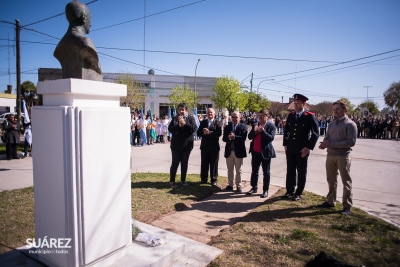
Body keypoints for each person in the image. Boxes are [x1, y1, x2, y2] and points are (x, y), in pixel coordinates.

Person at [318, 100, 357, 215]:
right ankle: (330, 201)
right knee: (331, 180)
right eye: (334, 109)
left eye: (338, 109)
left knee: (346, 181)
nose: (335, 111)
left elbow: (351, 142)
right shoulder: (331, 124)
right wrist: (324, 143)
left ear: (345, 109)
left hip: (343, 156)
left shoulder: (350, 124)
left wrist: (331, 144)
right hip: (330, 155)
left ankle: (347, 206)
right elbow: (327, 137)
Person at [283, 94, 319, 201]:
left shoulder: (309, 116)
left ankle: (298, 192)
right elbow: (287, 131)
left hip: (302, 149)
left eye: (298, 103)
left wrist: (308, 147)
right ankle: (290, 190)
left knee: (301, 171)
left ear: (304, 104)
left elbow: (315, 133)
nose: (296, 105)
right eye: (295, 103)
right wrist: (285, 145)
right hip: (291, 148)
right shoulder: (291, 115)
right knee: (290, 170)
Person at [54, 1, 102, 81]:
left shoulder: (60, 45)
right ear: (84, 17)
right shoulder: (85, 42)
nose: (90, 24)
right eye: (90, 19)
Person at [247, 109, 276, 198]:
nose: (260, 117)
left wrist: (262, 131)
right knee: (254, 171)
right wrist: (255, 131)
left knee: (266, 172)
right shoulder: (256, 124)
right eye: (258, 116)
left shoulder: (271, 126)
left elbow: (270, 138)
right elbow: (249, 137)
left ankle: (265, 190)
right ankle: (254, 187)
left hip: (265, 152)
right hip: (255, 152)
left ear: (267, 116)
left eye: (262, 115)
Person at [168, 103, 197, 188]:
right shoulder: (174, 118)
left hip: (187, 145)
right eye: (180, 109)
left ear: (186, 110)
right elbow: (170, 129)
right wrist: (178, 125)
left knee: (184, 163)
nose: (181, 111)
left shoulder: (191, 118)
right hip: (176, 146)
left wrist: (184, 124)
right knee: (175, 163)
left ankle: (183, 180)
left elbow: (193, 129)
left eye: (183, 110)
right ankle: (172, 181)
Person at [222, 111, 248, 193]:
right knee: (230, 169)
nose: (234, 118)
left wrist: (234, 137)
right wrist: (229, 138)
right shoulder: (227, 127)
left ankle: (238, 186)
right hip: (229, 151)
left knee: (238, 170)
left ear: (239, 118)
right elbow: (224, 138)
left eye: (236, 117)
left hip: (238, 152)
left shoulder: (243, 127)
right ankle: (230, 185)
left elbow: (243, 138)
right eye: (232, 117)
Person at [196, 108, 222, 186]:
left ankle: (213, 179)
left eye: (211, 113)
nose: (210, 114)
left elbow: (219, 133)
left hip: (214, 147)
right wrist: (203, 132)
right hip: (204, 146)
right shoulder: (203, 122)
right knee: (204, 163)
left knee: (214, 164)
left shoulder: (218, 122)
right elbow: (198, 133)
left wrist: (209, 132)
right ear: (206, 114)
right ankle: (203, 179)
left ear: (214, 114)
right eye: (208, 113)